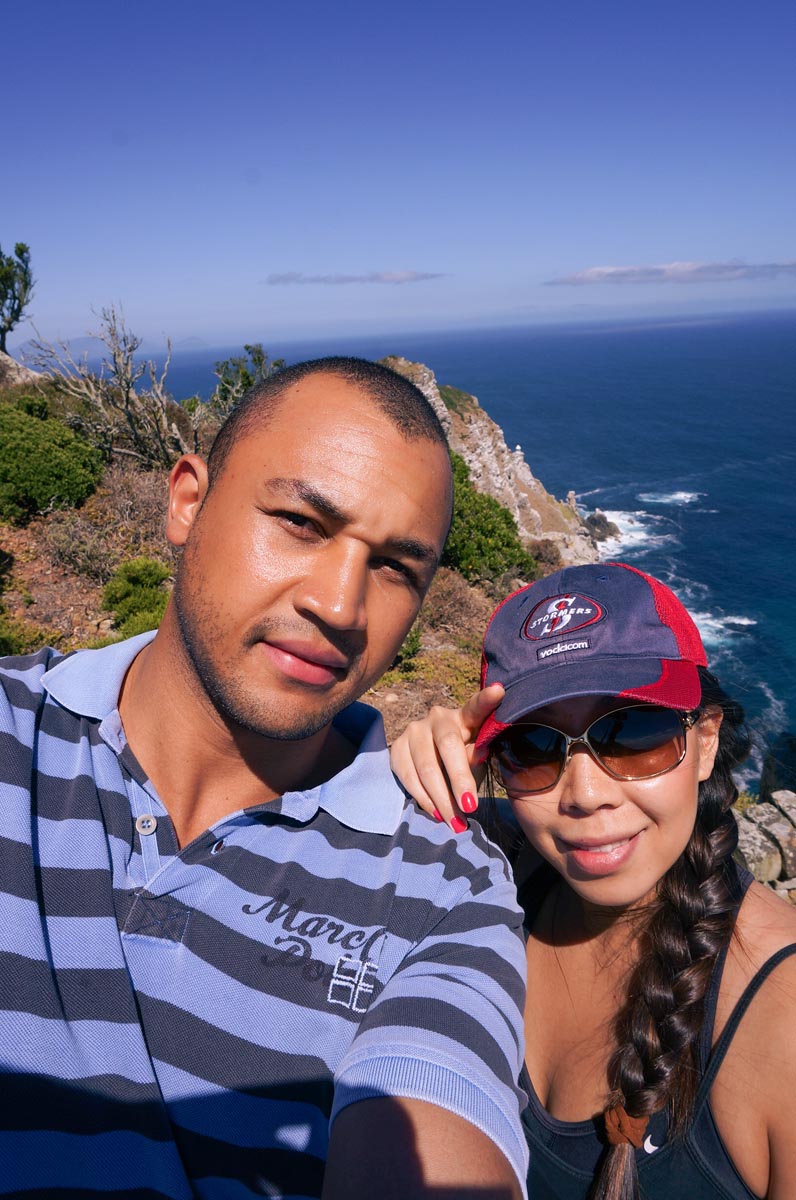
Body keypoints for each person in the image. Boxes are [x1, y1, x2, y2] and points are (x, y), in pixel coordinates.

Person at [0, 357, 530, 1200]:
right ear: (186, 501)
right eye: (301, 522)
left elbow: (438, 1118)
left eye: (395, 567)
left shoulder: (446, 892)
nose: (342, 604)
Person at [391, 561, 796, 1200]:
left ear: (708, 741)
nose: (584, 795)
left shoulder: (782, 1015)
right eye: (533, 747)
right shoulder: (491, 873)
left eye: (634, 734)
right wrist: (412, 778)